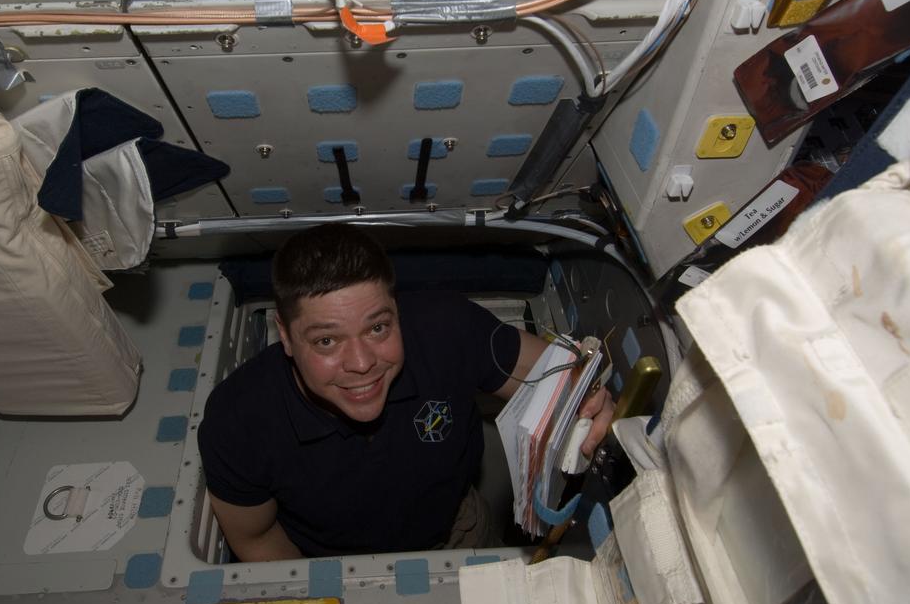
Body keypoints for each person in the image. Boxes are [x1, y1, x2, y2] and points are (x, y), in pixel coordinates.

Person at [196, 223, 616, 561]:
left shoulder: (445, 328)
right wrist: (319, 591)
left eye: (378, 328)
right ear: (285, 338)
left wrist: (588, 396)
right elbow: (256, 537)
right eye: (326, 341)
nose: (361, 363)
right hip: (328, 562)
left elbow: (561, 379)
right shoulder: (238, 421)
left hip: (459, 532)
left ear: (398, 311)